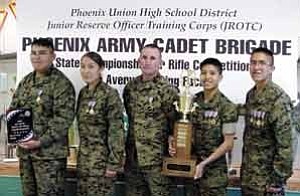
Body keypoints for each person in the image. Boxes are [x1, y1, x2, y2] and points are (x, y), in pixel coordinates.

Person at [9, 38, 75, 196]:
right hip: (26, 155)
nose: (37, 57)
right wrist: (17, 135)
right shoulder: (26, 82)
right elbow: (14, 109)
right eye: (34, 53)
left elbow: (63, 119)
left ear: (53, 56)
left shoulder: (61, 83)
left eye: (42, 53)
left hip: (49, 157)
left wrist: (39, 141)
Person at [169, 58, 238, 196]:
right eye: (203, 73)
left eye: (212, 73)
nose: (207, 77)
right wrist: (173, 142)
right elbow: (182, 130)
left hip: (214, 177)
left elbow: (228, 143)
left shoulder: (227, 106)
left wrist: (204, 164)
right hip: (191, 172)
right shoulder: (191, 102)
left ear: (220, 77)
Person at [123, 43, 178, 196]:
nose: (147, 61)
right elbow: (129, 118)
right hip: (133, 160)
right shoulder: (130, 88)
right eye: (144, 57)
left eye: (153, 58)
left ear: (160, 62)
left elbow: (175, 123)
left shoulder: (168, 90)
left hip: (157, 161)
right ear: (138, 60)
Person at [241, 47, 293, 196]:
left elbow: (286, 147)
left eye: (262, 63)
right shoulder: (251, 95)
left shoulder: (279, 100)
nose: (256, 67)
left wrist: (277, 181)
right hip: (249, 180)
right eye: (253, 63)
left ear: (271, 68)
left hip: (268, 186)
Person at [76, 52, 125, 196]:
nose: (86, 71)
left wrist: (113, 163)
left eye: (91, 66)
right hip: (84, 163)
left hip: (101, 165)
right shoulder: (83, 94)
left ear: (101, 68)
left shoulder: (109, 94)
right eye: (83, 67)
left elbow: (117, 131)